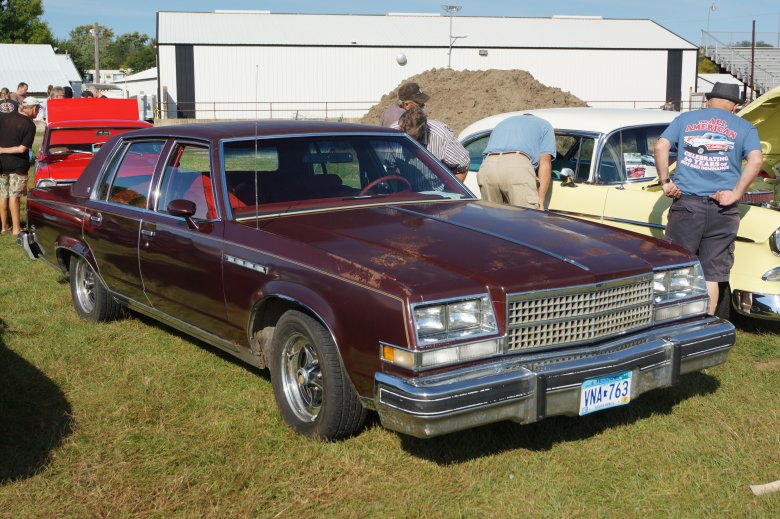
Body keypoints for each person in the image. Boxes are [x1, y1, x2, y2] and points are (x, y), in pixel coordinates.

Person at [654, 82, 763, 315]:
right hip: (723, 208)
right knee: (712, 273)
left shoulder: (685, 120)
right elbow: (756, 161)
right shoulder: (745, 127)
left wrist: (665, 181)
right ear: (735, 106)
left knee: (677, 266)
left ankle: (673, 320)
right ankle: (705, 325)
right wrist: (736, 193)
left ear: (707, 101)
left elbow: (661, 146)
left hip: (687, 204)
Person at [477, 114, 555, 210]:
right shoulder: (544, 125)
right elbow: (545, 162)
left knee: (492, 219)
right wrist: (540, 201)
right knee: (524, 219)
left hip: (488, 166)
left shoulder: (502, 123)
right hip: (517, 168)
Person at [394, 107, 470, 180]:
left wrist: (453, 191)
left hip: (435, 191)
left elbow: (463, 165)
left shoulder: (441, 137)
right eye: (400, 129)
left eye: (407, 135)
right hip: (405, 189)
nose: (400, 133)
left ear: (420, 134)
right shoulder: (392, 133)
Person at [0, 96, 40, 235]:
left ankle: (4, 227)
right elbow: (22, 149)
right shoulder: (30, 125)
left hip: (1, 163)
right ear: (33, 108)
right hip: (18, 165)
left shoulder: (4, 118)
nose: (38, 111)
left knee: (2, 195)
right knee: (14, 196)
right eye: (38, 108)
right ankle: (16, 229)